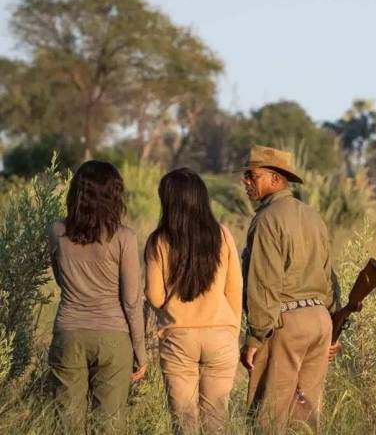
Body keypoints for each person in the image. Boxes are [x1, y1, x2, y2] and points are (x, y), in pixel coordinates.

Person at [239, 145, 341, 433]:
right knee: (305, 417)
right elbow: (329, 276)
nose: (246, 182)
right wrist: (333, 327)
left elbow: (264, 283)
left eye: (252, 176)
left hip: (285, 324)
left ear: (275, 179)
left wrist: (255, 337)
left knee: (267, 416)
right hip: (320, 322)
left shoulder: (266, 219)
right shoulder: (313, 216)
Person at [48, 160, 147, 434]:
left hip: (69, 331)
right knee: (110, 424)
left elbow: (61, 280)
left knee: (67, 422)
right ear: (114, 194)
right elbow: (131, 301)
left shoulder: (56, 231)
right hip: (113, 337)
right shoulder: (124, 237)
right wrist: (140, 349)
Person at [145, 167, 242, 434]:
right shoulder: (222, 234)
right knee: (215, 421)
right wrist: (231, 327)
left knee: (184, 422)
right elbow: (235, 288)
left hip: (179, 337)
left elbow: (155, 296)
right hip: (222, 335)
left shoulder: (160, 241)